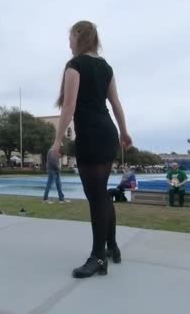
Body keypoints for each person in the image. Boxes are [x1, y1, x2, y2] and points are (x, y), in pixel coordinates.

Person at [51, 20, 132, 279]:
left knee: (96, 196)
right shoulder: (105, 66)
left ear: (78, 36)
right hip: (107, 132)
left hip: (91, 135)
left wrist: (57, 141)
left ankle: (98, 258)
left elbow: (69, 106)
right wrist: (124, 131)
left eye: (70, 37)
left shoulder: (74, 66)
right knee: (101, 195)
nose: (69, 42)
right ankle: (112, 247)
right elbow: (116, 103)